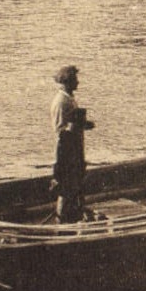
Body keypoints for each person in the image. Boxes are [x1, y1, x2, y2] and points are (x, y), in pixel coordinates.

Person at [50, 65, 94, 223]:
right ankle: (62, 222)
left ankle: (72, 218)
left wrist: (83, 124)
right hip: (67, 150)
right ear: (67, 81)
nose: (78, 82)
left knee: (74, 186)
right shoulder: (62, 101)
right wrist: (80, 125)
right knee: (66, 188)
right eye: (75, 79)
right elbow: (62, 131)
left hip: (73, 148)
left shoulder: (68, 98)